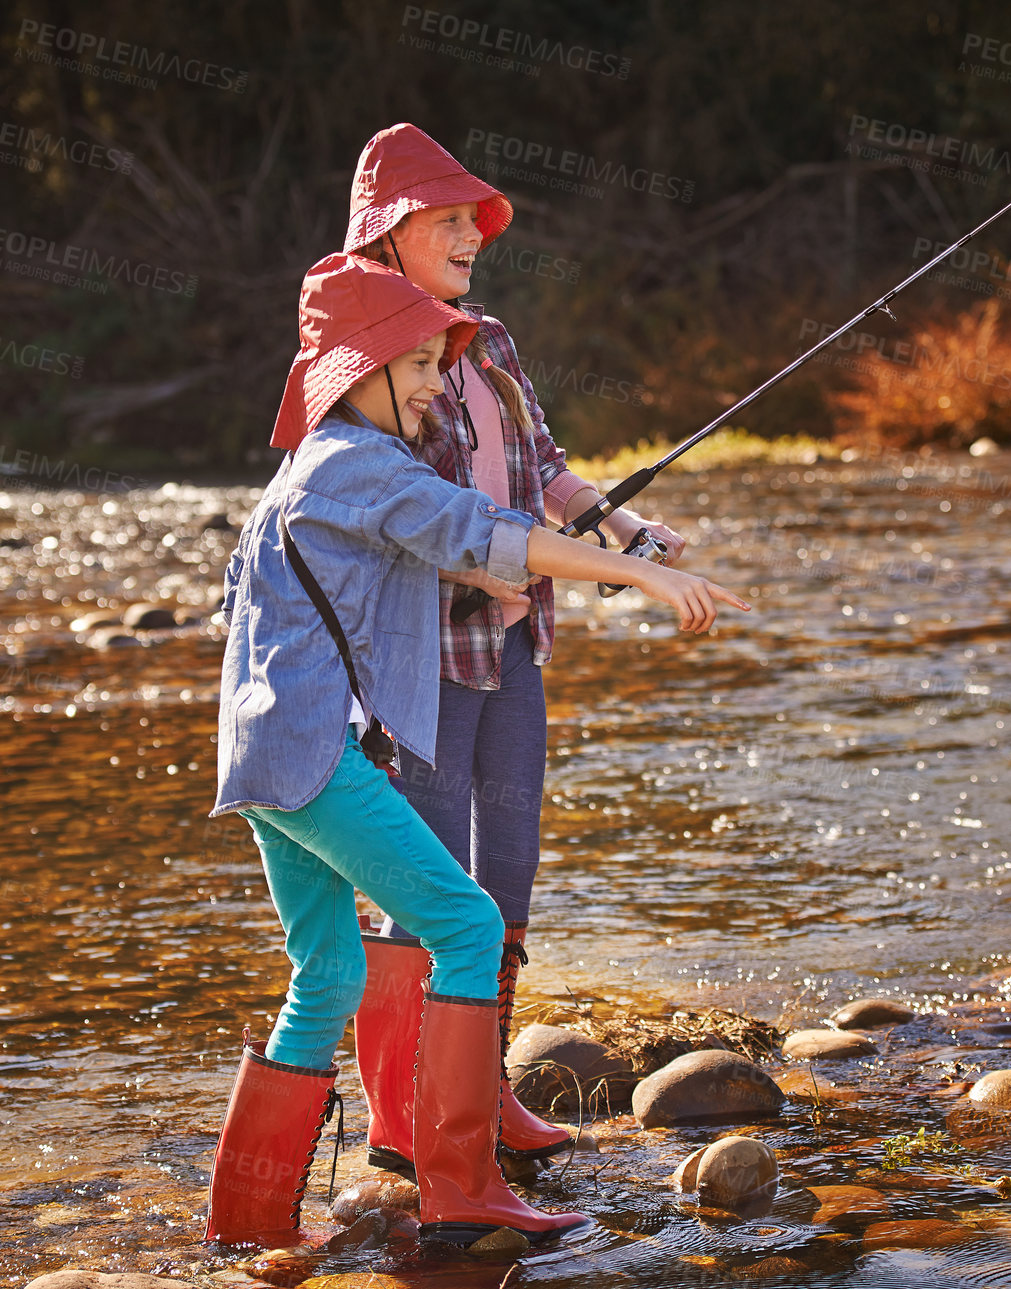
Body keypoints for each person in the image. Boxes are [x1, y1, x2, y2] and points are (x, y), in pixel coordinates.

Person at [205, 253, 747, 1251]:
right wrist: (639, 573)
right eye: (411, 362)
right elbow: (491, 531)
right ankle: (460, 1186)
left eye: (432, 359)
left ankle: (244, 1227)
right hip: (316, 757)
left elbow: (242, 608)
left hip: (261, 753)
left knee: (323, 971)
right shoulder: (364, 466)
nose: (428, 381)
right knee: (464, 920)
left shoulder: (307, 465)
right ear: (352, 370)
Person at [339, 123, 688, 1176]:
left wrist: (626, 530)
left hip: (516, 646)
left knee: (510, 878)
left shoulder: (487, 337)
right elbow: (375, 507)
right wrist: (473, 563)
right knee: (428, 887)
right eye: (447, 221)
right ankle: (410, 1120)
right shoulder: (360, 355)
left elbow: (542, 466)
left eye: (472, 222)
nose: (470, 237)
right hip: (423, 664)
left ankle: (481, 1092)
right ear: (389, 234)